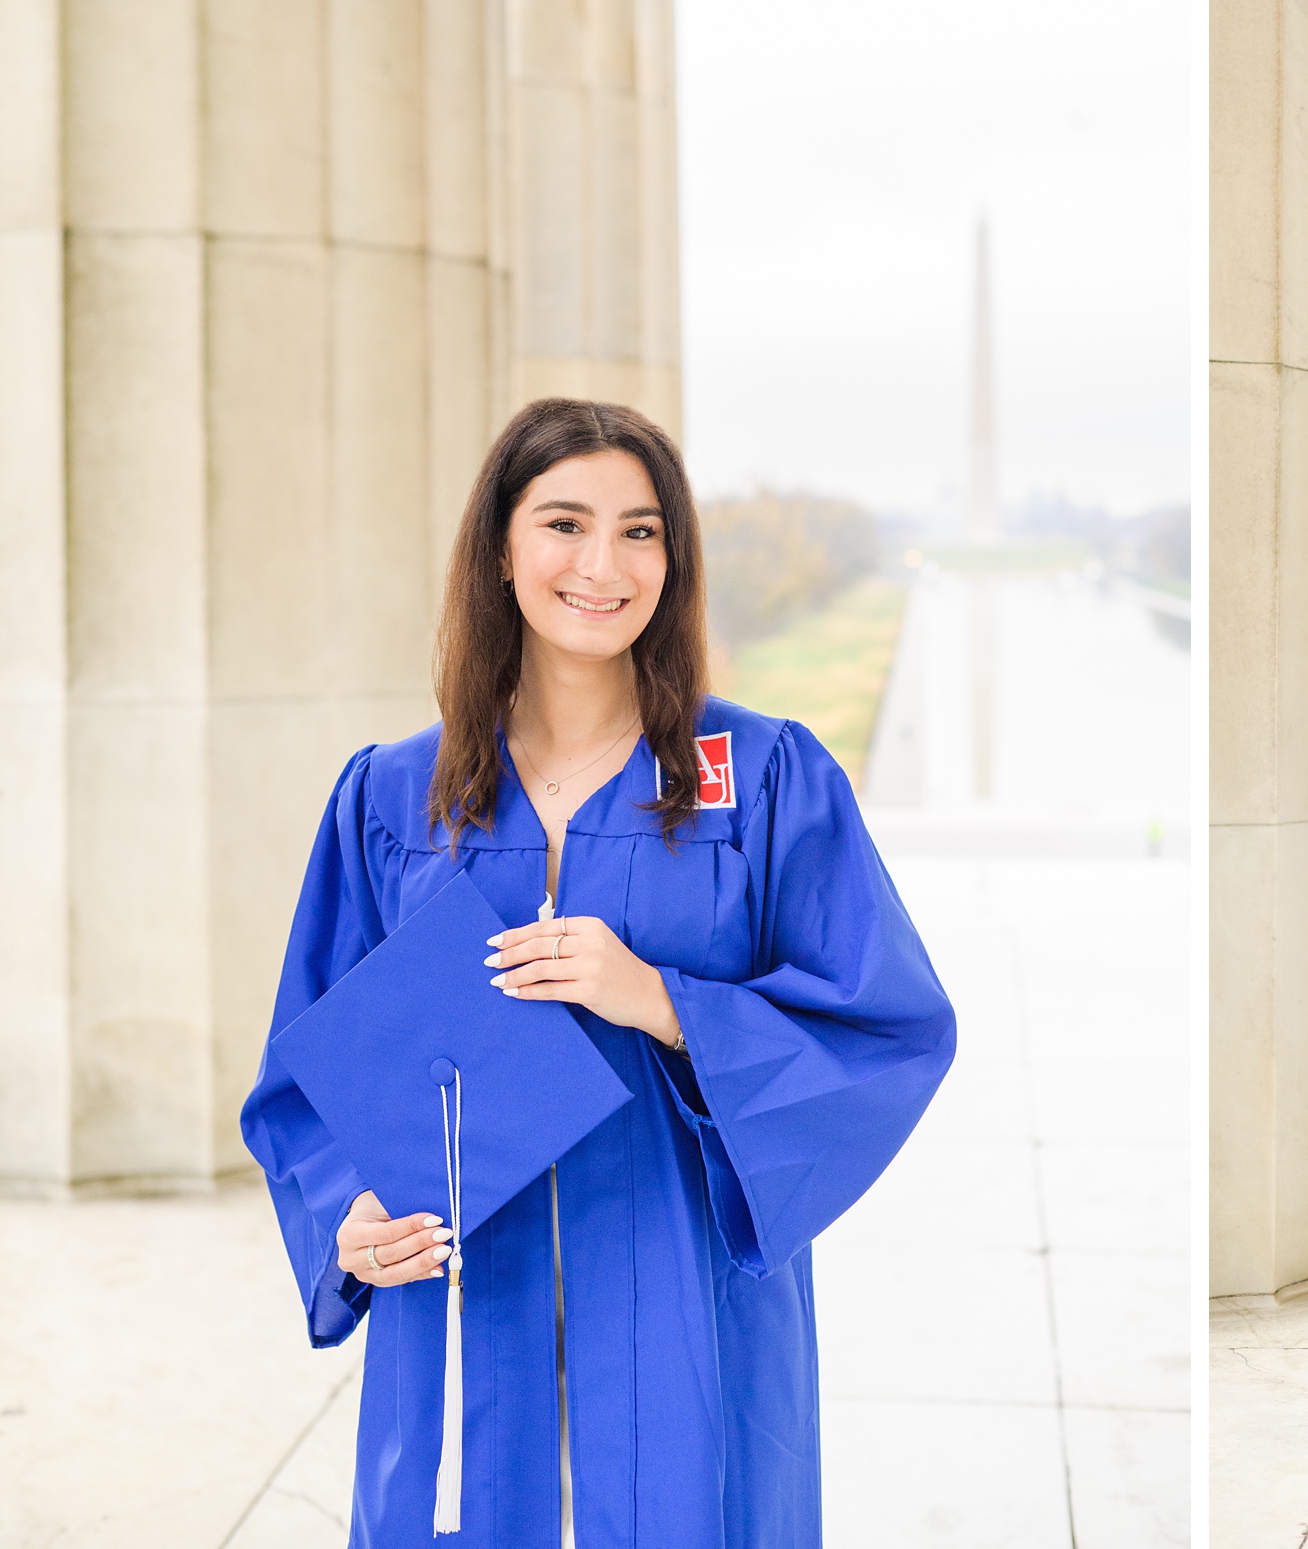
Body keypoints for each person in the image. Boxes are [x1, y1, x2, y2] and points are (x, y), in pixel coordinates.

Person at [241, 398, 956, 1544]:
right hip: (471, 1300)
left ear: (673, 559)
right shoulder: (390, 796)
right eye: (564, 522)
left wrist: (669, 1003)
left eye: (641, 530)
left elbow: (888, 1025)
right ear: (502, 550)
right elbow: (312, 1069)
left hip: (681, 1302)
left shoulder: (764, 779)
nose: (602, 564)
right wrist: (347, 1217)